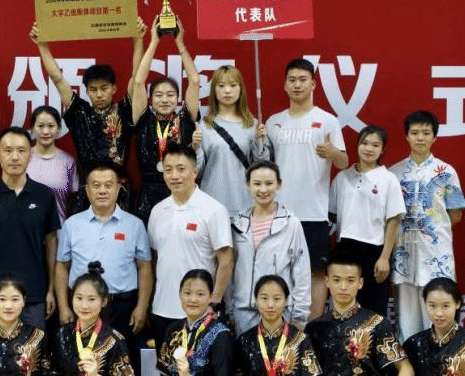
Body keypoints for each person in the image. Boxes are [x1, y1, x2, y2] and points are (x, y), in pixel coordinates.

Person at [55, 160, 152, 376]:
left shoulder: (134, 225)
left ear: (119, 188)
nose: (102, 191)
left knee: (126, 365)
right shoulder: (72, 224)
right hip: (83, 308)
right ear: (86, 189)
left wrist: (141, 306)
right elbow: (62, 266)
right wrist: (63, 306)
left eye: (108, 185)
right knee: (80, 364)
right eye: (95, 185)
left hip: (122, 307)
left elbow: (144, 267)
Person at [30, 19, 145, 213]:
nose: (99, 94)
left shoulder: (124, 109)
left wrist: (138, 39)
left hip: (120, 191)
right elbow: (57, 78)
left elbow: (137, 77)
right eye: (93, 89)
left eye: (104, 88)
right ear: (87, 91)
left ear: (114, 88)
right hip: (88, 193)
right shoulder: (79, 112)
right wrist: (42, 44)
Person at [264, 58, 349, 321]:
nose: (297, 85)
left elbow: (344, 162)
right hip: (278, 212)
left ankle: (312, 329)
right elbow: (263, 163)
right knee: (278, 271)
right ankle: (280, 327)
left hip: (314, 212)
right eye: (292, 80)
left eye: (303, 80)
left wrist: (333, 152)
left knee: (316, 273)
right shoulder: (273, 122)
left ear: (313, 84)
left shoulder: (327, 121)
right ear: (285, 85)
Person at [0, 127, 60, 330]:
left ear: (30, 156)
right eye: (8, 150)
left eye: (21, 150)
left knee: (33, 350)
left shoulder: (44, 196)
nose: (14, 157)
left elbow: (51, 243)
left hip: (34, 294)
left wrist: (51, 290)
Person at [147, 143, 233, 350]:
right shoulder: (157, 211)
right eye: (168, 170)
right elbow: (155, 258)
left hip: (200, 311)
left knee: (199, 369)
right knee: (165, 368)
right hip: (162, 310)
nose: (174, 176)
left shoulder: (213, 210)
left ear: (195, 172)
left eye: (181, 169)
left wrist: (214, 302)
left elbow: (226, 261)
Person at [390, 110, 465, 341]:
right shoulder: (394, 173)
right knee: (406, 316)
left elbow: (455, 214)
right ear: (407, 136)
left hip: (435, 251)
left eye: (426, 133)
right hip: (404, 251)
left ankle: (442, 358)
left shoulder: (446, 172)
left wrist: (432, 223)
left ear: (434, 137)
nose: (420, 138)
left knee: (438, 309)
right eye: (415, 133)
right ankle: (409, 360)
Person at [128, 17, 200, 224]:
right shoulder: (144, 119)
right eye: (158, 95)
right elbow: (138, 81)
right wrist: (154, 41)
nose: (165, 99)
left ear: (178, 98)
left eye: (170, 95)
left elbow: (195, 80)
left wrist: (180, 43)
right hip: (148, 193)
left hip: (180, 190)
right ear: (151, 99)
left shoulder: (185, 118)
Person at [329, 125, 406, 316]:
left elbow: (394, 220)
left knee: (373, 310)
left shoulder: (388, 179)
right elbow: (332, 214)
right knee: (343, 305)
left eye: (375, 145)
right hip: (345, 248)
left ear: (382, 149)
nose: (369, 149)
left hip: (374, 251)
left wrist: (384, 258)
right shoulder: (342, 177)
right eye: (364, 143)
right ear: (357, 146)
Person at [229, 161, 311, 336]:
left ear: (279, 185)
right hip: (244, 312)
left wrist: (300, 315)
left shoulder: (291, 223)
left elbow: (301, 271)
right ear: (248, 185)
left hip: (281, 312)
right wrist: (231, 309)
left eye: (269, 183)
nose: (263, 189)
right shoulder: (237, 223)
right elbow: (230, 270)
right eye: (257, 184)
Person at [188, 65, 270, 215]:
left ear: (240, 89)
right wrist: (196, 147)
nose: (227, 91)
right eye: (221, 86)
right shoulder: (204, 126)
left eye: (233, 85)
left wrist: (260, 142)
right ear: (214, 90)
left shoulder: (253, 125)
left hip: (245, 206)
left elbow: (263, 167)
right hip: (211, 206)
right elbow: (197, 173)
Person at [27, 105, 79, 224]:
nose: (46, 132)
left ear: (58, 128)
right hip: (26, 231)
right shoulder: (22, 158)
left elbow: (73, 201)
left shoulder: (68, 162)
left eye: (51, 126)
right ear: (32, 128)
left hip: (59, 230)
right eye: (40, 126)